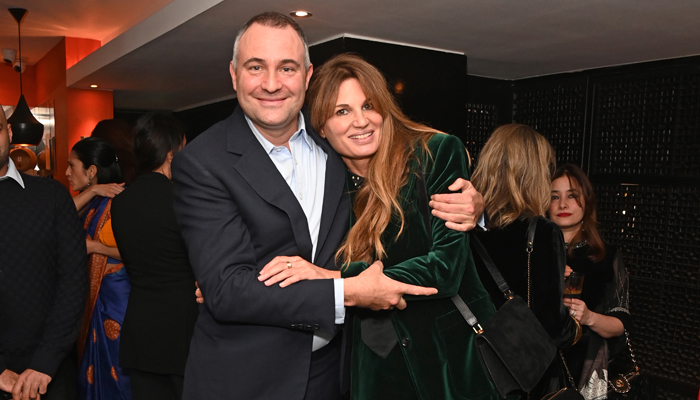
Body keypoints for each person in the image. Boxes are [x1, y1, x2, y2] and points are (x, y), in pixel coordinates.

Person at [171, 12, 482, 400]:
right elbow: (227, 289)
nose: (271, 83)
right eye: (256, 67)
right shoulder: (202, 161)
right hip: (249, 380)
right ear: (234, 74)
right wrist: (345, 290)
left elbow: (400, 211)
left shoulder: (334, 151)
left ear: (306, 74)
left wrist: (475, 208)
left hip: (340, 374)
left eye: (286, 67)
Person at [258, 53, 498, 400]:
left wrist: (336, 279)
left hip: (451, 361)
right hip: (373, 369)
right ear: (321, 125)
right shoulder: (320, 185)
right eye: (342, 111)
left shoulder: (434, 153)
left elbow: (445, 269)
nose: (361, 121)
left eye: (369, 105)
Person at [470, 124, 582, 399]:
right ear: (535, 175)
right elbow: (551, 325)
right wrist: (576, 328)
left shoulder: (462, 228)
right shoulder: (542, 232)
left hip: (473, 369)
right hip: (524, 379)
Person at [0, 104, 88, 400]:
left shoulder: (51, 197)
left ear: (9, 133)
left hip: (50, 371)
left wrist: (44, 363)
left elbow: (73, 281)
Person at [111, 113, 197, 400]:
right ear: (171, 155)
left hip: (140, 330)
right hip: (183, 330)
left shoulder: (120, 202)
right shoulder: (184, 200)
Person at [550, 163, 629, 399]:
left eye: (572, 196)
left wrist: (588, 317)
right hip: (537, 365)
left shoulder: (607, 257)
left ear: (587, 202)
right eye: (554, 197)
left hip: (586, 367)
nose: (563, 204)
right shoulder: (532, 255)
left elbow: (621, 323)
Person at [66, 137, 132, 400]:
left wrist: (94, 247)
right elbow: (52, 218)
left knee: (116, 375)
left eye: (72, 166)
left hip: (116, 302)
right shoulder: (92, 202)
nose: (68, 173)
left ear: (91, 171)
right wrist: (92, 192)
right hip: (93, 301)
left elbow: (137, 251)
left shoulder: (119, 201)